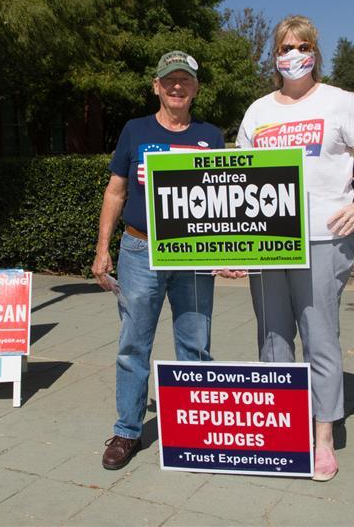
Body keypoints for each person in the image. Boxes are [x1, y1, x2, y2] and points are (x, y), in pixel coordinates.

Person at [234, 15, 354, 481]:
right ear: (274, 56)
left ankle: (323, 438)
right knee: (272, 340)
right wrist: (234, 247)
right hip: (268, 242)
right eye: (284, 47)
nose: (293, 54)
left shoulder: (340, 103)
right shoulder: (258, 111)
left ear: (314, 52)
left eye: (301, 45)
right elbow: (237, 179)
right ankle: (285, 433)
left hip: (324, 240)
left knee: (320, 339)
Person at [92, 51, 225, 470]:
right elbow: (115, 192)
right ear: (156, 86)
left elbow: (224, 201)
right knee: (133, 344)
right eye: (170, 80)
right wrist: (102, 248)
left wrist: (231, 253)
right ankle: (127, 431)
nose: (178, 87)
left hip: (193, 254)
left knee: (195, 343)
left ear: (196, 88)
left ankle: (195, 430)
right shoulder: (135, 130)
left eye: (185, 80)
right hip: (139, 250)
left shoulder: (211, 135)